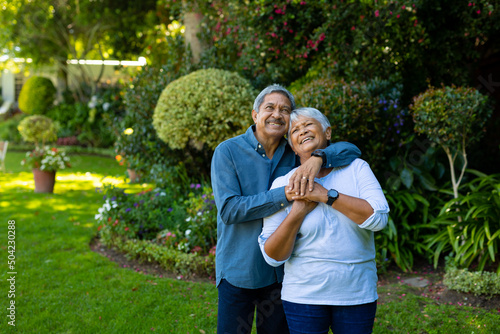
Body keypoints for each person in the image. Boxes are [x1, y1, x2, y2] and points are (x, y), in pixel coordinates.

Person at [211, 85, 361, 334]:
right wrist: (284, 194)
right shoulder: (227, 151)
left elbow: (351, 150)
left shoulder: (295, 153)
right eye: (270, 107)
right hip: (239, 270)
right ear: (255, 115)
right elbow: (230, 210)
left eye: (285, 110)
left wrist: (318, 158)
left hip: (282, 273)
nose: (277, 114)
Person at [258, 107, 389, 334]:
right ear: (291, 144)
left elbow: (378, 218)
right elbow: (272, 256)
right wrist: (298, 212)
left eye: (308, 124)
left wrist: (325, 196)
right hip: (302, 296)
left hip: (356, 293)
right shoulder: (283, 184)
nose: (302, 131)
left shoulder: (357, 169)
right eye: (295, 130)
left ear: (327, 132)